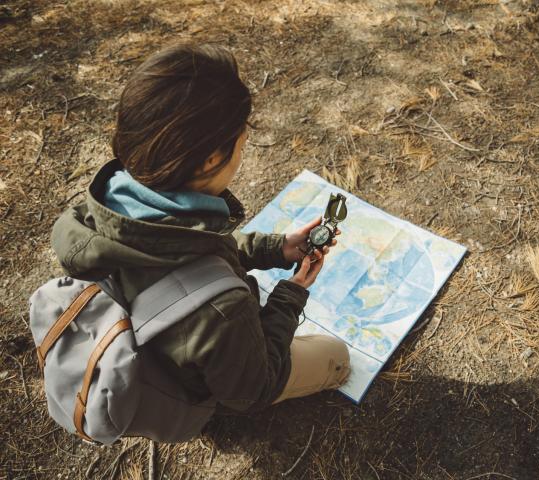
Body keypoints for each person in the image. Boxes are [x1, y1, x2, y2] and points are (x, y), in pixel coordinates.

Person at [51, 42, 351, 416]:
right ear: (212, 158)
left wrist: (276, 247)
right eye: (241, 144)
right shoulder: (224, 309)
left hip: (148, 340)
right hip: (194, 380)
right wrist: (290, 295)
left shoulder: (109, 206)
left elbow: (188, 250)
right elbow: (252, 389)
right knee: (337, 356)